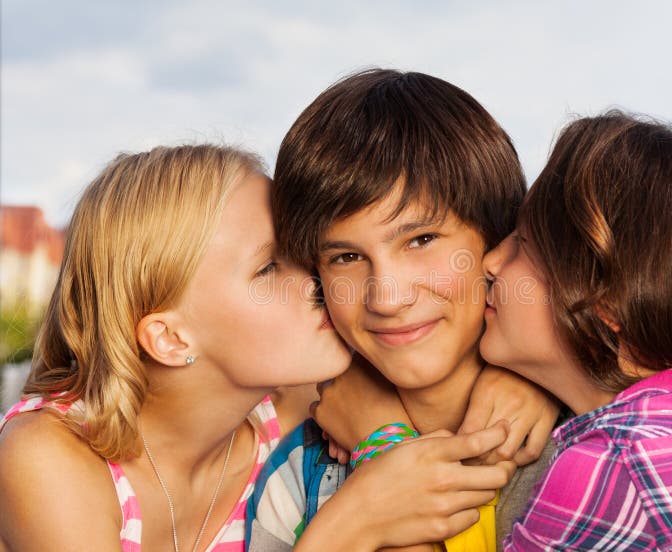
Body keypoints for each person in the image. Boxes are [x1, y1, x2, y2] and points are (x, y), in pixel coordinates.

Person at [0, 144, 514, 551]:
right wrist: (355, 521)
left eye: (305, 251)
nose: (318, 277)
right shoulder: (48, 457)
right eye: (270, 267)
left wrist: (514, 383)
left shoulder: (292, 412)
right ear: (171, 338)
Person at [248, 69, 562, 551]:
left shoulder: (585, 449)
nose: (388, 298)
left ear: (498, 242)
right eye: (347, 258)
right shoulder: (297, 481)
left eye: (422, 240)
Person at [480, 112, 672, 549]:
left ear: (608, 305)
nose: (491, 261)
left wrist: (379, 430)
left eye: (524, 245)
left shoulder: (607, 467)